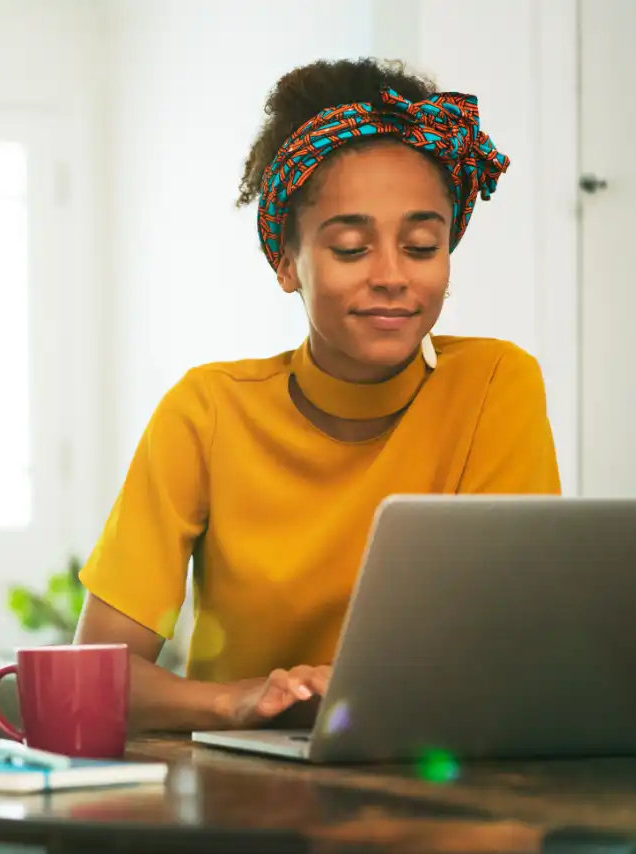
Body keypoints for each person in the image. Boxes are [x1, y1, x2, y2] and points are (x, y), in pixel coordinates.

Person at [74, 58, 560, 733]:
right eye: (352, 248)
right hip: (246, 794)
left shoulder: (495, 385)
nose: (393, 276)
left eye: (422, 245)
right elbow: (95, 674)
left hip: (439, 780)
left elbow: (515, 651)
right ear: (284, 262)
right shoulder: (208, 410)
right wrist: (238, 700)